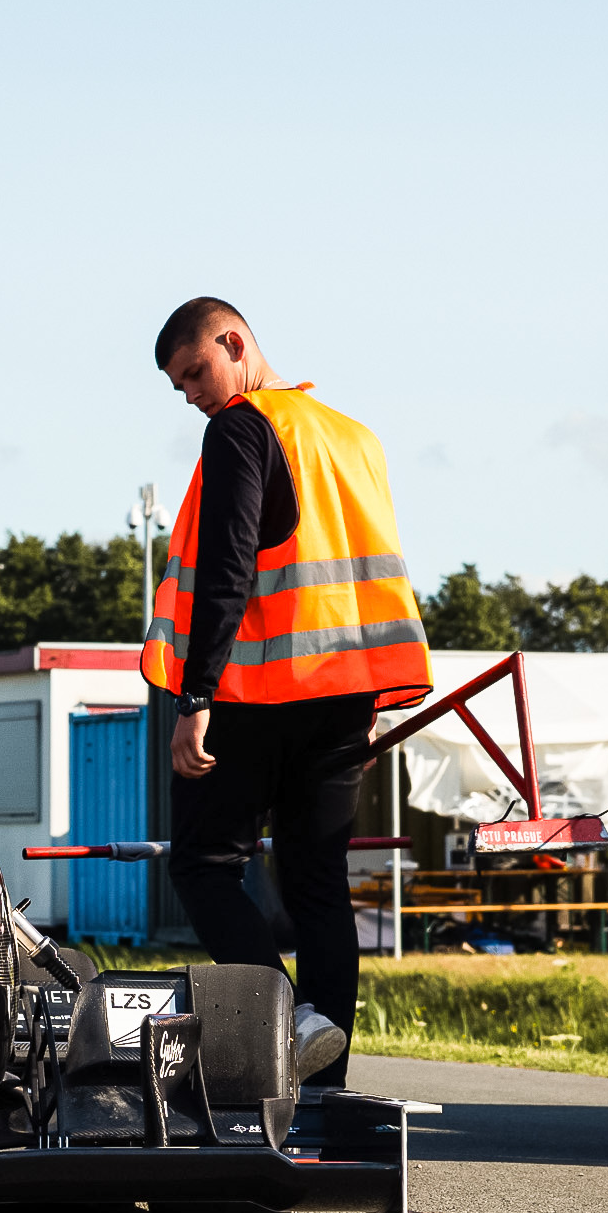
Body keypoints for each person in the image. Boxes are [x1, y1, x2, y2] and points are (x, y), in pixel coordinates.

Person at [143, 297, 432, 1086]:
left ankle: (281, 1029)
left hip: (260, 689)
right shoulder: (352, 436)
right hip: (346, 692)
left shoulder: (243, 426)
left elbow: (230, 564)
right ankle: (325, 1075)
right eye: (178, 385)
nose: (193, 392)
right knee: (315, 878)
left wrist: (194, 697)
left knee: (204, 864)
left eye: (197, 370)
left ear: (235, 342)